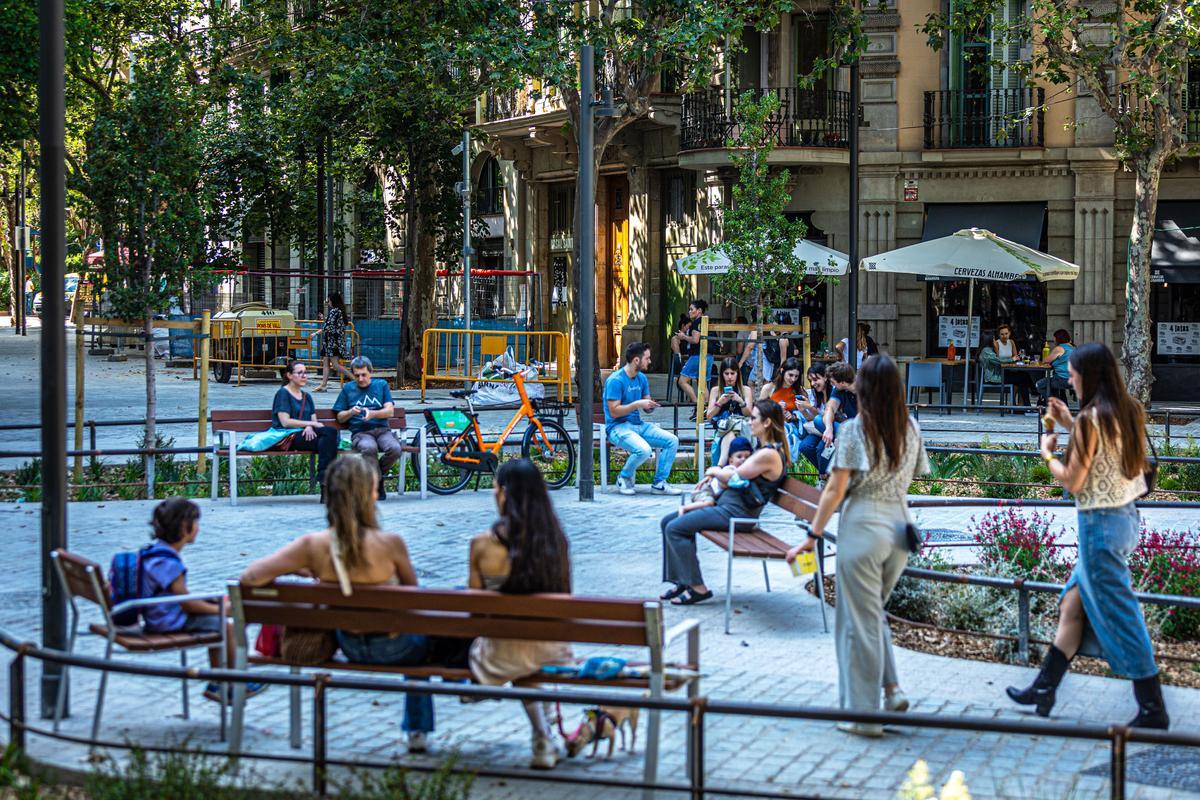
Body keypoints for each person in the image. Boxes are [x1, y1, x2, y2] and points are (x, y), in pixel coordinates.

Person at [1007, 343, 1169, 729]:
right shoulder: (1126, 410)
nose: (1070, 380)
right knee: (1072, 607)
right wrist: (1068, 423)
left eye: (1074, 375)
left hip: (1098, 526)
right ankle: (1044, 688)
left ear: (1088, 377)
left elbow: (1075, 481)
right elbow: (1103, 453)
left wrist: (1047, 453)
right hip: (1125, 521)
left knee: (1123, 614)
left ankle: (1153, 708)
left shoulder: (1090, 419)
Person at [240, 456, 437, 752]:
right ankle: (417, 730)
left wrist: (298, 568)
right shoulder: (390, 543)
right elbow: (413, 597)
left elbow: (251, 576)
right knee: (430, 639)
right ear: (369, 494)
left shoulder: (312, 545)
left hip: (348, 643)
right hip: (397, 647)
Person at [787, 355, 928, 737]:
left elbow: (834, 489)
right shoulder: (910, 428)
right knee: (869, 613)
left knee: (857, 622)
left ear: (862, 388)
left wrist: (813, 535)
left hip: (864, 525)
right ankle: (891, 688)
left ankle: (864, 715)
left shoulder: (854, 430)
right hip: (900, 529)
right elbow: (916, 475)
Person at [467, 459, 574, 769]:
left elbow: (474, 608)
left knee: (515, 647)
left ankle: (542, 734)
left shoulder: (481, 545)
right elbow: (564, 600)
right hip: (553, 649)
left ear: (502, 493)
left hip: (499, 654)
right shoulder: (557, 541)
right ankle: (544, 736)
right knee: (527, 648)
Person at [660, 400, 789, 606]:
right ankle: (683, 581)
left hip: (737, 514)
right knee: (668, 521)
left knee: (676, 528)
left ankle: (698, 588)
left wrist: (713, 471)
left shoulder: (769, 454)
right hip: (727, 508)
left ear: (766, 423)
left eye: (753, 418)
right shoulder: (762, 449)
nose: (750, 421)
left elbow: (735, 478)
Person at [139, 498, 267, 704]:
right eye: (196, 523)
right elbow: (186, 603)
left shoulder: (153, 553)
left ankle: (219, 682)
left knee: (219, 624)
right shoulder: (170, 563)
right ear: (184, 527)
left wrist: (212, 604)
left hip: (158, 614)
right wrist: (220, 610)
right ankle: (236, 681)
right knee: (227, 626)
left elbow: (177, 596)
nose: (198, 528)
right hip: (167, 621)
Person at [604, 342, 681, 496]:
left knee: (672, 440)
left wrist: (650, 406)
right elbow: (614, 412)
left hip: (638, 425)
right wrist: (638, 404)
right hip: (617, 428)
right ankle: (623, 477)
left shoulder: (641, 379)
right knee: (644, 450)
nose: (650, 361)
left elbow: (646, 406)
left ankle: (659, 483)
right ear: (636, 360)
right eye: (647, 358)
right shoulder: (615, 380)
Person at [333, 356, 402, 500]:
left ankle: (374, 478)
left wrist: (373, 414)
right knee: (369, 448)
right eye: (357, 375)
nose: (360, 379)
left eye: (364, 374)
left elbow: (390, 411)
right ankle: (378, 482)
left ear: (370, 372)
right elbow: (340, 417)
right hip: (361, 432)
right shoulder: (347, 388)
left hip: (382, 430)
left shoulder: (381, 385)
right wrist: (351, 412)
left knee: (395, 449)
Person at [272, 360, 339, 496]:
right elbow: (285, 422)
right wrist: (309, 425)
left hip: (306, 435)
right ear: (289, 375)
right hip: (289, 436)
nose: (304, 376)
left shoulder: (306, 397)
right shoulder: (283, 394)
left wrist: (309, 425)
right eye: (300, 373)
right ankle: (326, 482)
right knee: (330, 439)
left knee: (329, 436)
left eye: (305, 373)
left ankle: (325, 483)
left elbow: (313, 421)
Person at [798, 362, 856, 477]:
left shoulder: (864, 390)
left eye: (833, 381)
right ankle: (825, 476)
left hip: (854, 430)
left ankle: (825, 476)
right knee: (806, 443)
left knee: (822, 447)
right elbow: (829, 409)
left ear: (843, 382)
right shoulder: (838, 390)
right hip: (829, 428)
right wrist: (828, 428)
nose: (831, 383)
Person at [677, 437, 754, 516]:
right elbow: (730, 481)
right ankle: (684, 508)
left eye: (747, 457)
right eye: (739, 457)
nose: (743, 459)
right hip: (706, 491)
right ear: (731, 461)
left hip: (711, 493)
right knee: (709, 503)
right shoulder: (730, 469)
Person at [706, 357, 753, 466]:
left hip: (742, 428)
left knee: (731, 433)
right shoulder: (716, 390)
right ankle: (727, 468)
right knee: (730, 433)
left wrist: (740, 401)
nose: (730, 377)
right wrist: (720, 403)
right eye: (726, 373)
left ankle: (720, 467)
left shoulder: (745, 390)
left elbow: (749, 414)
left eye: (733, 373)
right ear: (722, 375)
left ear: (738, 374)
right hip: (723, 428)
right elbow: (709, 416)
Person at [760, 357, 805, 461]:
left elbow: (804, 413)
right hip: (772, 425)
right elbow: (759, 412)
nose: (793, 379)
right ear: (782, 371)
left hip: (792, 428)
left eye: (796, 376)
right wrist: (774, 408)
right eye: (790, 375)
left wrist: (793, 416)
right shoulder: (768, 388)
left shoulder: (798, 390)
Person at [673, 299, 710, 410]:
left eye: (691, 309)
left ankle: (697, 404)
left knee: (682, 381)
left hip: (697, 355)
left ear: (699, 311)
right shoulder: (706, 322)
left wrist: (683, 337)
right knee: (702, 383)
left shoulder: (696, 323)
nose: (689, 312)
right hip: (708, 355)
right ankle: (706, 409)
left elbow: (695, 340)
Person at [315, 293, 353, 392]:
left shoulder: (334, 311)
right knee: (326, 362)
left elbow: (328, 326)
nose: (328, 303)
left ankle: (355, 380)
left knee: (335, 365)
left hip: (332, 342)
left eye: (329, 301)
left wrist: (316, 333)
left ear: (333, 301)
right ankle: (323, 384)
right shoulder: (340, 311)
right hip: (335, 341)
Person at [992, 323, 1033, 407]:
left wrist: (1018, 360)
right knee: (1023, 378)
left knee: (1024, 376)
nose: (1004, 336)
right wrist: (1011, 360)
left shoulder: (1011, 342)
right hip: (1000, 372)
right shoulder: (996, 343)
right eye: (1002, 334)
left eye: (1006, 333)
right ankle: (1025, 403)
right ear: (998, 335)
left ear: (1009, 333)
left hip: (1010, 370)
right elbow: (998, 360)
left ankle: (1021, 404)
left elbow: (1015, 357)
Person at [1037, 329, 1075, 405]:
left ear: (1058, 338)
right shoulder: (1073, 348)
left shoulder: (1059, 348)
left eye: (1054, 338)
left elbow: (1046, 360)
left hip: (1063, 379)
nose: (1054, 340)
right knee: (1053, 385)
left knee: (1039, 385)